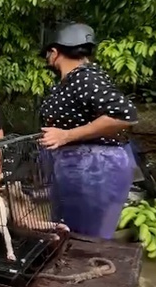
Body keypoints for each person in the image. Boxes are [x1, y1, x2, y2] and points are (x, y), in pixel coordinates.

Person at [38, 22, 138, 239]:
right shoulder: (69, 81)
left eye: (47, 54)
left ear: (55, 52)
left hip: (94, 169)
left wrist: (66, 135)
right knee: (67, 232)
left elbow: (123, 115)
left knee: (87, 238)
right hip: (74, 169)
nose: (47, 59)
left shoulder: (86, 77)